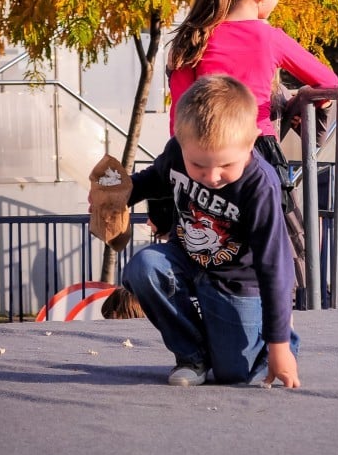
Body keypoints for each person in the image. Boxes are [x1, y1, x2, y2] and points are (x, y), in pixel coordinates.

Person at [167, 0, 338, 286]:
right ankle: (286, 318)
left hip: (202, 160)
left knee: (213, 245)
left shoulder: (193, 38)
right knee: (281, 246)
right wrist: (307, 100)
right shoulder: (268, 38)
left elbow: (178, 121)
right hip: (256, 153)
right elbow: (328, 81)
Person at [122, 74, 300, 388]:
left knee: (233, 373)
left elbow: (276, 268)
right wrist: (121, 194)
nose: (212, 177)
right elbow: (155, 177)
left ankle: (276, 340)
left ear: (251, 142)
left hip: (237, 279)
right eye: (199, 166)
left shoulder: (260, 185)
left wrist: (279, 345)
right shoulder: (179, 150)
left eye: (225, 166)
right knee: (144, 267)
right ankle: (192, 356)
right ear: (180, 140)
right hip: (186, 259)